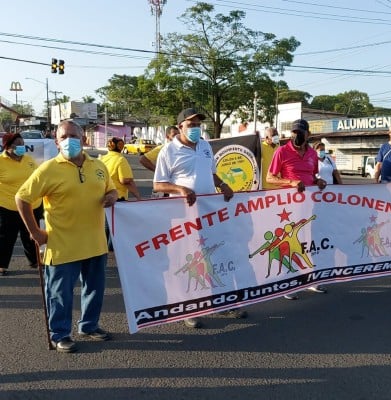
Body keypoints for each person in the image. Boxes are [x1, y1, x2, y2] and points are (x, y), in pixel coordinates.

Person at [15, 120, 118, 353]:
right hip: (62, 245)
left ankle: (89, 325)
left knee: (95, 289)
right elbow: (22, 199)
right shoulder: (48, 169)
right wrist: (35, 232)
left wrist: (111, 195)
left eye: (74, 135)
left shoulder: (98, 166)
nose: (69, 140)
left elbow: (110, 188)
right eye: (64, 137)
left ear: (84, 139)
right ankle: (60, 334)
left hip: (95, 243)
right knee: (60, 294)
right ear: (57, 141)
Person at [153, 108, 246, 327]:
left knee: (216, 256)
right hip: (184, 214)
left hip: (209, 212)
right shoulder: (168, 151)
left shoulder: (205, 146)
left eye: (198, 124)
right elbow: (158, 184)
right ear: (180, 127)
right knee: (190, 259)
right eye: (191, 124)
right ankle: (190, 308)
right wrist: (180, 189)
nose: (195, 128)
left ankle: (221, 302)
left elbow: (211, 172)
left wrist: (222, 184)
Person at [267, 119, 328, 299]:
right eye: (294, 132)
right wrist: (291, 182)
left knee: (309, 241)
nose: (297, 135)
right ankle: (288, 283)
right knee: (290, 244)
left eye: (300, 132)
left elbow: (313, 176)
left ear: (308, 134)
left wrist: (319, 181)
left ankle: (310, 279)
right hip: (288, 208)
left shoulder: (312, 154)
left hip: (310, 205)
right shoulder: (282, 151)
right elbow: (271, 177)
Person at [0, 133, 42, 275]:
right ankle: (2, 265)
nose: (21, 147)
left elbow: (39, 178)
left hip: (32, 205)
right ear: (7, 146)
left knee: (31, 234)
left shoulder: (29, 160)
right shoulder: (1, 161)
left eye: (22, 144)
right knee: (6, 237)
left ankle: (35, 261)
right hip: (7, 207)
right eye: (17, 144)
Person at [100, 137, 141, 201]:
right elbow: (126, 181)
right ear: (121, 147)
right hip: (117, 198)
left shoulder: (101, 159)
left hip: (102, 197)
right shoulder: (121, 160)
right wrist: (138, 197)